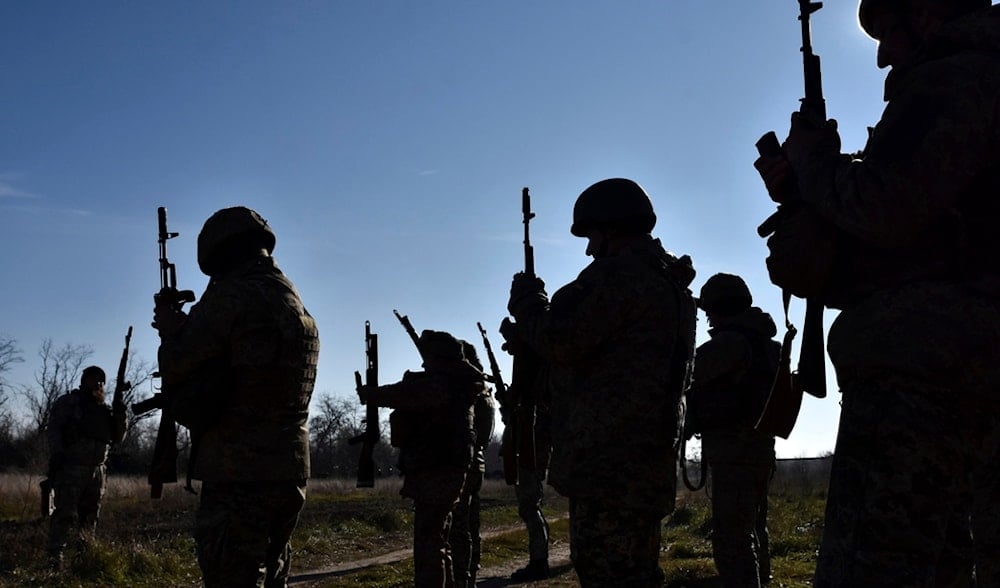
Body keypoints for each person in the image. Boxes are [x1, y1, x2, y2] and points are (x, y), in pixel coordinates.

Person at [753, 0, 1000, 584]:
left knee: (871, 567)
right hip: (952, 360)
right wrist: (808, 196)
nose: (885, 54)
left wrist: (816, 167)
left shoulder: (959, 74)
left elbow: (889, 206)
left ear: (930, 10)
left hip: (928, 368)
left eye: (890, 31)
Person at [503, 177, 697, 587]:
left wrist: (528, 304)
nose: (590, 249)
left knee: (607, 572)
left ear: (611, 229)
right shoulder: (665, 280)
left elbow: (564, 339)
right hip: (640, 458)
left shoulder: (622, 276)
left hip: (611, 460)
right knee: (635, 573)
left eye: (592, 236)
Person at [153, 206, 320, 588]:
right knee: (271, 572)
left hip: (239, 468)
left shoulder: (232, 297)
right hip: (290, 466)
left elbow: (179, 364)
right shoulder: (292, 299)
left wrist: (169, 329)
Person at [358, 329, 483, 588]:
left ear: (441, 359)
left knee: (428, 543)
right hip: (444, 469)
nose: (425, 364)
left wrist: (372, 394)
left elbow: (406, 394)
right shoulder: (456, 382)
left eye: (429, 359)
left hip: (438, 470)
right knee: (438, 540)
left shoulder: (444, 384)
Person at [685, 273, 780, 588]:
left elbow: (687, 375)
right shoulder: (766, 345)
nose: (707, 315)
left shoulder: (730, 343)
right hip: (760, 448)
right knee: (753, 528)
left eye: (709, 309)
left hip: (733, 451)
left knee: (732, 539)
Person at [45, 365, 127, 568]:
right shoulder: (69, 403)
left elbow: (117, 438)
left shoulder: (105, 409)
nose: (97, 383)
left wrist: (120, 414)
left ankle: (85, 557)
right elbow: (54, 428)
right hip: (73, 467)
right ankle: (55, 558)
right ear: (84, 380)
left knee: (91, 516)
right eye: (93, 379)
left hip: (98, 470)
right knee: (64, 514)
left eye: (100, 381)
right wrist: (59, 453)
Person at [448, 340, 496, 588]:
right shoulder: (485, 391)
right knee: (471, 524)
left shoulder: (469, 389)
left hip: (464, 464)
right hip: (477, 463)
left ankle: (461, 578)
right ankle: (471, 574)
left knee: (459, 527)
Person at [509, 405, 552, 582]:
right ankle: (539, 560)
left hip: (530, 456)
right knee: (530, 508)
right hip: (531, 454)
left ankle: (539, 561)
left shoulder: (536, 403)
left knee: (529, 508)